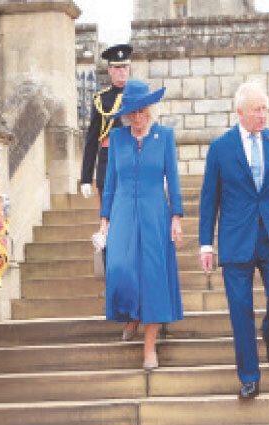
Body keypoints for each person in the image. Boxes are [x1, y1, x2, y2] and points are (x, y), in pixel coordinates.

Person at [199, 82, 269, 400]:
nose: (262, 114)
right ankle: (250, 377)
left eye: (265, 108)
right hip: (235, 239)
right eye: (256, 109)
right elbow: (208, 200)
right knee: (240, 310)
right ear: (240, 111)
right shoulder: (220, 148)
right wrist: (205, 244)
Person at [97, 79, 184, 370]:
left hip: (154, 212)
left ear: (150, 110)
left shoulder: (165, 137)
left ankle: (149, 347)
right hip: (122, 211)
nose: (137, 117)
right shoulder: (118, 139)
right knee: (120, 268)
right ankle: (132, 314)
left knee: (152, 275)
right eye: (132, 112)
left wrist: (177, 218)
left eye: (142, 111)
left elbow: (172, 179)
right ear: (125, 114)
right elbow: (110, 182)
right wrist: (104, 221)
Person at [80, 44, 132, 202]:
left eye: (124, 67)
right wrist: (86, 178)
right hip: (108, 161)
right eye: (117, 68)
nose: (121, 71)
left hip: (134, 158)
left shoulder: (139, 94)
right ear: (110, 70)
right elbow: (92, 140)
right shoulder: (101, 99)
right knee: (108, 216)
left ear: (129, 68)